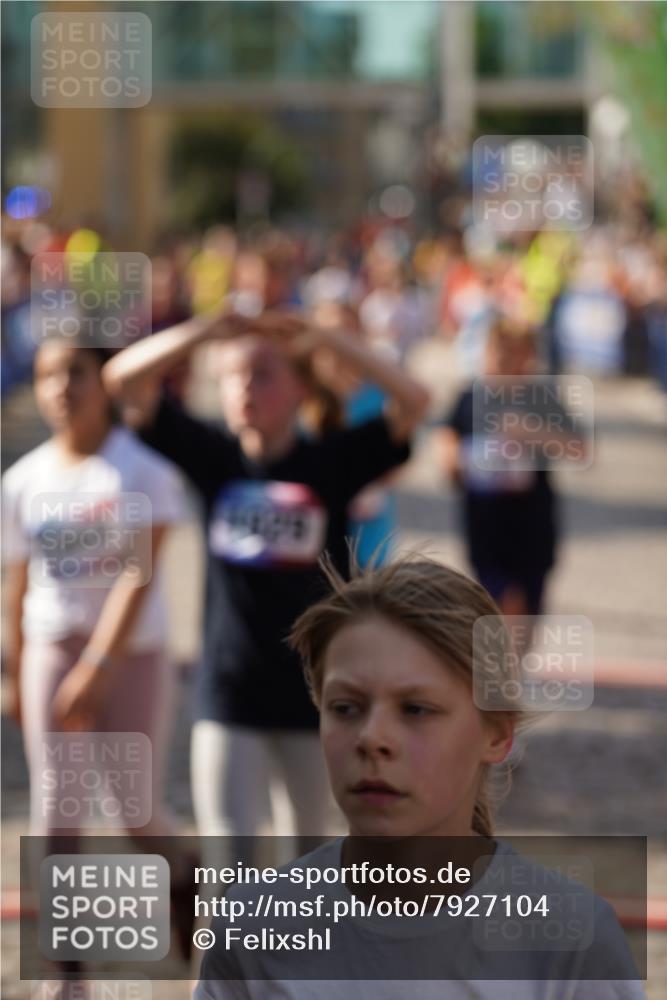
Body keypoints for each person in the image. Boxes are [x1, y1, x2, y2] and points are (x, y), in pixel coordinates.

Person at [195, 558, 645, 998]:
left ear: (497, 733)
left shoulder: (570, 948)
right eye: (345, 707)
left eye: (416, 709)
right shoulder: (253, 928)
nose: (373, 738)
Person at [102, 307, 429, 845]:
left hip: (317, 694)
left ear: (301, 389)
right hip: (230, 693)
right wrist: (204, 331)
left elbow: (415, 400)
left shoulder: (331, 463)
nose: (244, 388)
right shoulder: (214, 458)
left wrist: (326, 337)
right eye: (232, 375)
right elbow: (121, 380)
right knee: (230, 864)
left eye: (262, 373)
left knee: (313, 857)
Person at [1, 334, 194, 958]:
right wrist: (12, 667)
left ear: (102, 381)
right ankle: (68, 970)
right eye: (48, 375)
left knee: (134, 809)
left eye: (75, 372)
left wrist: (100, 663)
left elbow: (140, 573)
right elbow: (18, 581)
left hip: (131, 655)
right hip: (50, 646)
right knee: (59, 801)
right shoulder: (23, 480)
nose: (61, 388)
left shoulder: (142, 470)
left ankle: (185, 883)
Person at [436, 319, 585, 617]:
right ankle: (503, 661)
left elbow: (580, 448)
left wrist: (532, 432)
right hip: (485, 520)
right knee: (498, 602)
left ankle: (516, 661)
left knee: (528, 605)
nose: (507, 361)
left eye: (517, 354)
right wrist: (453, 461)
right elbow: (447, 438)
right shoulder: (470, 397)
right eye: (500, 352)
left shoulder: (543, 399)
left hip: (532, 520)